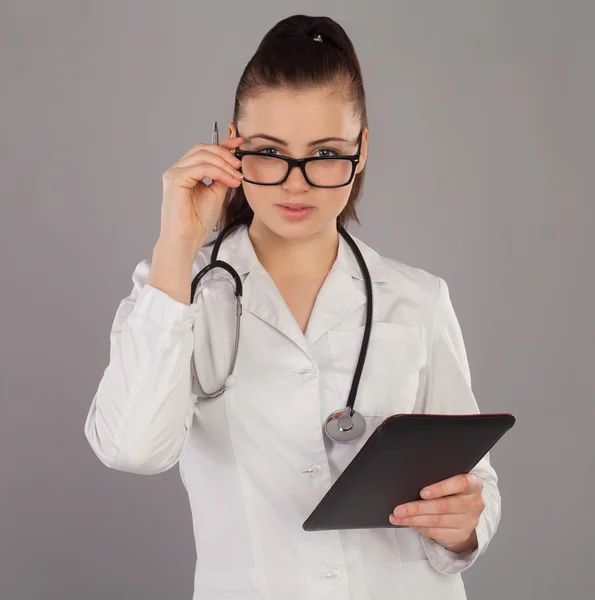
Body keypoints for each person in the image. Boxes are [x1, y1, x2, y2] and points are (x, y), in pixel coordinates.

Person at [84, 14, 501, 600]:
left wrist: (464, 524)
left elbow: (473, 481)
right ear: (231, 144)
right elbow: (130, 447)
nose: (295, 183)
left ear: (361, 150)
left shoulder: (418, 299)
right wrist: (177, 244)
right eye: (268, 152)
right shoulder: (178, 288)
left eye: (325, 152)